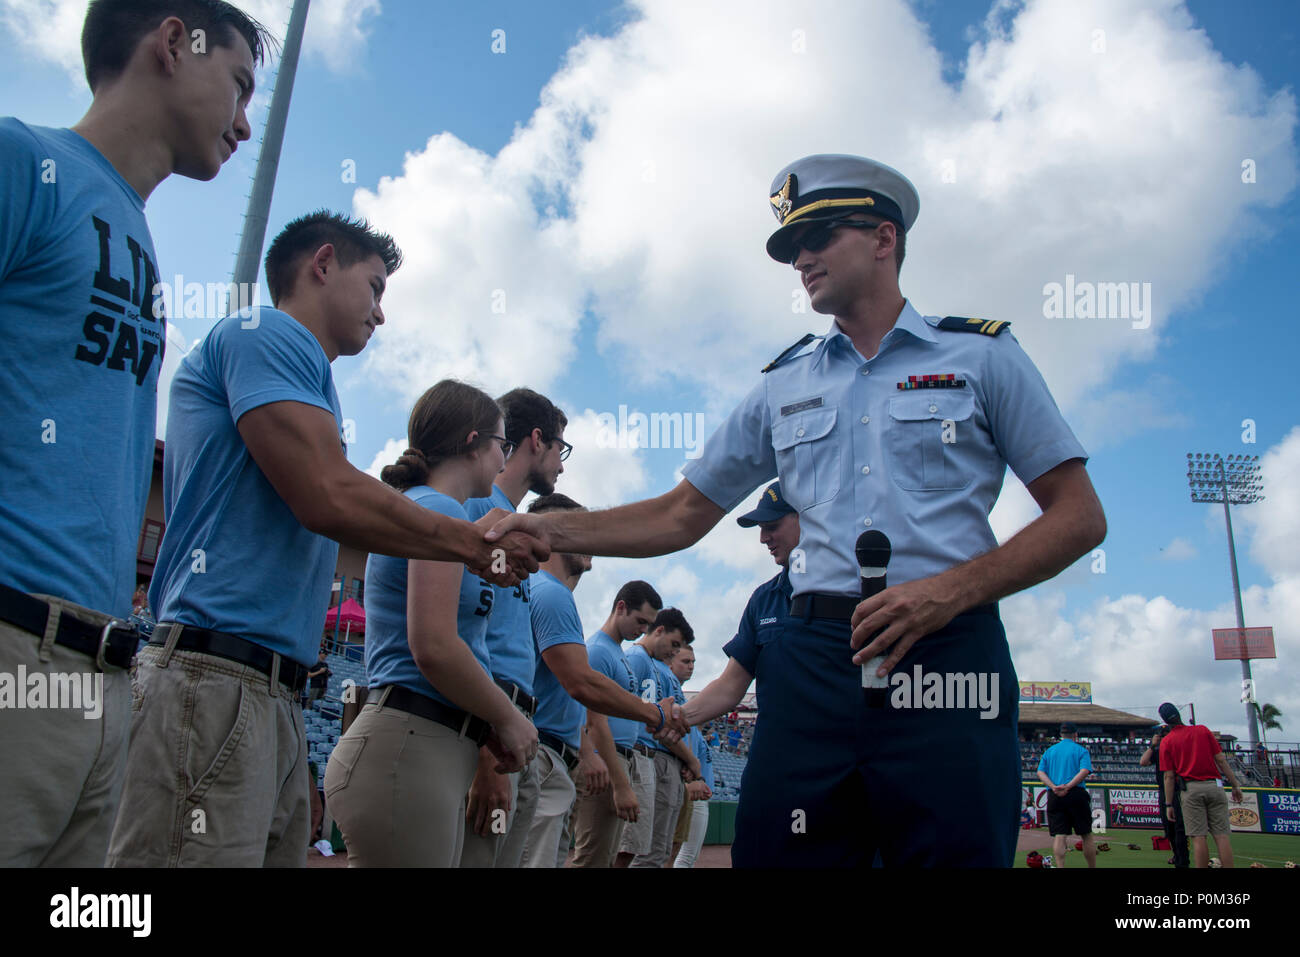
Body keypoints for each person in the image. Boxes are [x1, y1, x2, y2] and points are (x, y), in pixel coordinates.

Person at [487, 153, 1106, 867]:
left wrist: (947, 593)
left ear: (884, 238)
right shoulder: (785, 384)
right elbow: (681, 513)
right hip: (814, 664)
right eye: (790, 247)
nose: (800, 259)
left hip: (946, 654)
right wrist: (548, 524)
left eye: (819, 237)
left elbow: (1079, 516)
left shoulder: (984, 357)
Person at [105, 214, 547, 868]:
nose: (380, 313)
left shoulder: (310, 376)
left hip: (268, 685)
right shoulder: (268, 331)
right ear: (323, 263)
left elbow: (336, 500)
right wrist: (469, 543)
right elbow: (327, 493)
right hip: (219, 672)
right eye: (373, 288)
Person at [0, 0, 271, 869]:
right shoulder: (26, 161)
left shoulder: (139, 235)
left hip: (104, 673)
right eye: (237, 84)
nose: (244, 120)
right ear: (170, 42)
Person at [321, 380, 540, 867]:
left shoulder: (434, 508)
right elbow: (434, 645)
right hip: (412, 741)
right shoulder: (437, 507)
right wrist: (508, 719)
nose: (504, 461)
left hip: (420, 743)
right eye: (501, 446)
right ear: (472, 442)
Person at [518, 496, 685, 867]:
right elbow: (582, 686)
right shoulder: (549, 592)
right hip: (542, 752)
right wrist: (653, 714)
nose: (589, 541)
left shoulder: (547, 593)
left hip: (552, 754)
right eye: (579, 530)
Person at [459, 388, 569, 869]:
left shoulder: (514, 521)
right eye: (560, 450)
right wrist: (487, 748)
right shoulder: (475, 508)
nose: (562, 466)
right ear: (537, 440)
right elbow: (460, 632)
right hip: (488, 730)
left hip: (516, 730)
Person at [570, 581, 664, 868]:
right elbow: (594, 722)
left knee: (606, 856)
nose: (643, 631)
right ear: (620, 607)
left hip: (620, 759)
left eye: (648, 625)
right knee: (592, 856)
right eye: (640, 621)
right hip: (604, 763)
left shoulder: (618, 652)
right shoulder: (599, 651)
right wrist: (621, 785)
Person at [616, 609, 701, 868]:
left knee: (657, 850)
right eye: (674, 645)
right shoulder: (637, 658)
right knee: (635, 849)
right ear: (660, 630)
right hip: (645, 753)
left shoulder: (657, 667)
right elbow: (653, 723)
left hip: (663, 759)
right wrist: (692, 761)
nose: (676, 652)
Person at [1156, 702, 1244, 869]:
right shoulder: (1202, 730)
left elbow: (1168, 776)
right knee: (1221, 836)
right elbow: (1221, 760)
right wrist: (1235, 785)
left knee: (1198, 837)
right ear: (1179, 715)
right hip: (1214, 785)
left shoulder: (1167, 741)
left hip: (1191, 789)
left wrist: (1168, 804)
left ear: (1165, 722)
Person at [669, 648, 714, 868]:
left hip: (696, 788)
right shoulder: (669, 699)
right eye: (686, 661)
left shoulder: (690, 718)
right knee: (678, 855)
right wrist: (693, 780)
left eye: (693, 661)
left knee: (683, 854)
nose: (691, 666)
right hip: (688, 788)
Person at [1036, 722, 1097, 868]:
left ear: (1061, 735)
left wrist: (1053, 786)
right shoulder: (1081, 750)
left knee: (1059, 834)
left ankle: (1061, 866)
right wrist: (1069, 786)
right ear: (1076, 734)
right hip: (1076, 793)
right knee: (1086, 834)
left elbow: (1040, 772)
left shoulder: (1050, 751)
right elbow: (1084, 771)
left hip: (1055, 793)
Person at [1140, 724, 1189, 867]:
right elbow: (1143, 762)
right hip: (1164, 790)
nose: (1164, 737)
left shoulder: (1178, 747)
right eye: (1163, 735)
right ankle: (1177, 855)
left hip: (1179, 790)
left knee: (1180, 827)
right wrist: (1152, 745)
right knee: (1169, 828)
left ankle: (1183, 858)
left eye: (1166, 734)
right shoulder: (1159, 750)